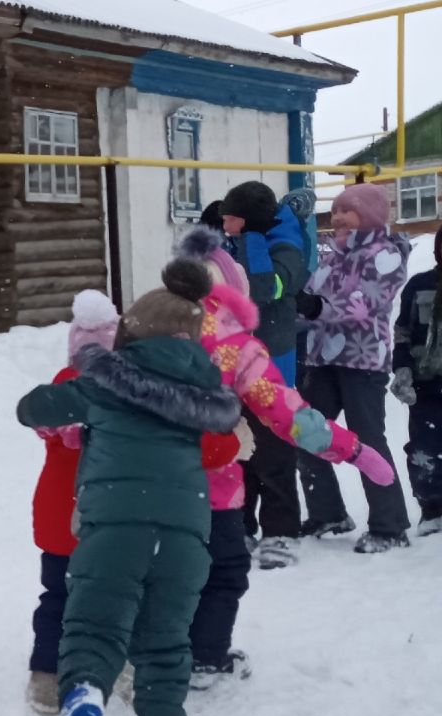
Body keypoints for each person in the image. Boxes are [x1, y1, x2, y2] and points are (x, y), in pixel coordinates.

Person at [16, 259, 241, 716]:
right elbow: (222, 448)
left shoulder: (103, 386)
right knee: (166, 645)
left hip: (113, 530)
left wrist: (82, 376)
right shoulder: (206, 404)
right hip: (184, 537)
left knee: (94, 625)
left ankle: (86, 697)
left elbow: (33, 409)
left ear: (129, 335)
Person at [175, 224, 391, 687]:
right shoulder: (235, 345)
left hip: (135, 480)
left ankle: (147, 651)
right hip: (209, 483)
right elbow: (288, 415)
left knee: (157, 568)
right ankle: (203, 659)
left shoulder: (144, 324)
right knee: (223, 569)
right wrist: (352, 449)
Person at [297, 183, 413, 552]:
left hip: (363, 361)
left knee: (366, 438)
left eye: (348, 211)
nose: (338, 219)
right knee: (305, 431)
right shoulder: (333, 257)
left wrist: (316, 308)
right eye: (335, 212)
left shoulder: (385, 254)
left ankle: (389, 525)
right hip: (323, 357)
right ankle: (328, 513)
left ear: (371, 215)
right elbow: (311, 298)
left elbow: (366, 304)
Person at [25, 291, 121, 715]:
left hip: (63, 517)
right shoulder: (117, 391)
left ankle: (48, 674)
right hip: (97, 517)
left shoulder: (62, 384)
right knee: (108, 595)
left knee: (59, 597)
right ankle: (64, 672)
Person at [217, 183, 311, 568]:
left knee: (273, 451)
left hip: (273, 366)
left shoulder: (286, 246)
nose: (224, 222)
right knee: (238, 449)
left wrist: (253, 238)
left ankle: (282, 533)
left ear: (251, 218)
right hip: (233, 364)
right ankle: (241, 525)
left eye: (231, 215)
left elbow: (261, 288)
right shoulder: (232, 244)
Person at [391, 252, 442, 535]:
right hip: (427, 383)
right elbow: (402, 332)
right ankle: (433, 508)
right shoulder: (419, 285)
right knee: (425, 448)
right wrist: (402, 367)